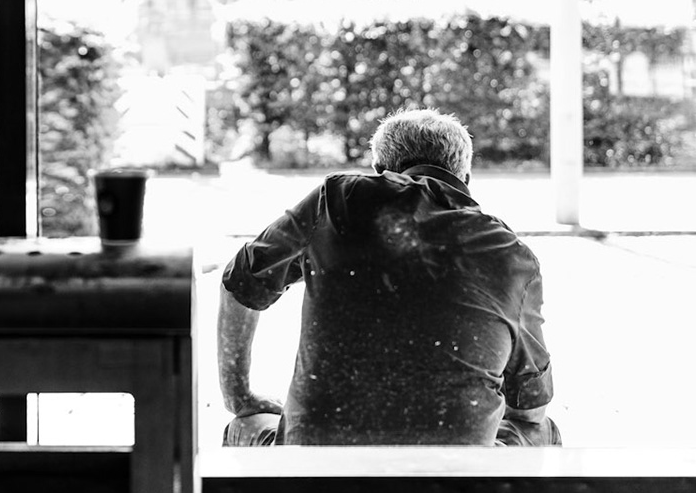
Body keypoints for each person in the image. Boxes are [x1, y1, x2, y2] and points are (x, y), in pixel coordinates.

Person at [217, 108, 558, 446]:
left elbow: (241, 282)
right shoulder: (514, 256)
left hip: (315, 472)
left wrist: (240, 397)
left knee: (245, 425)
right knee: (541, 432)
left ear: (380, 171)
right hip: (454, 487)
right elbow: (530, 409)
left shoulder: (337, 200)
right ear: (465, 179)